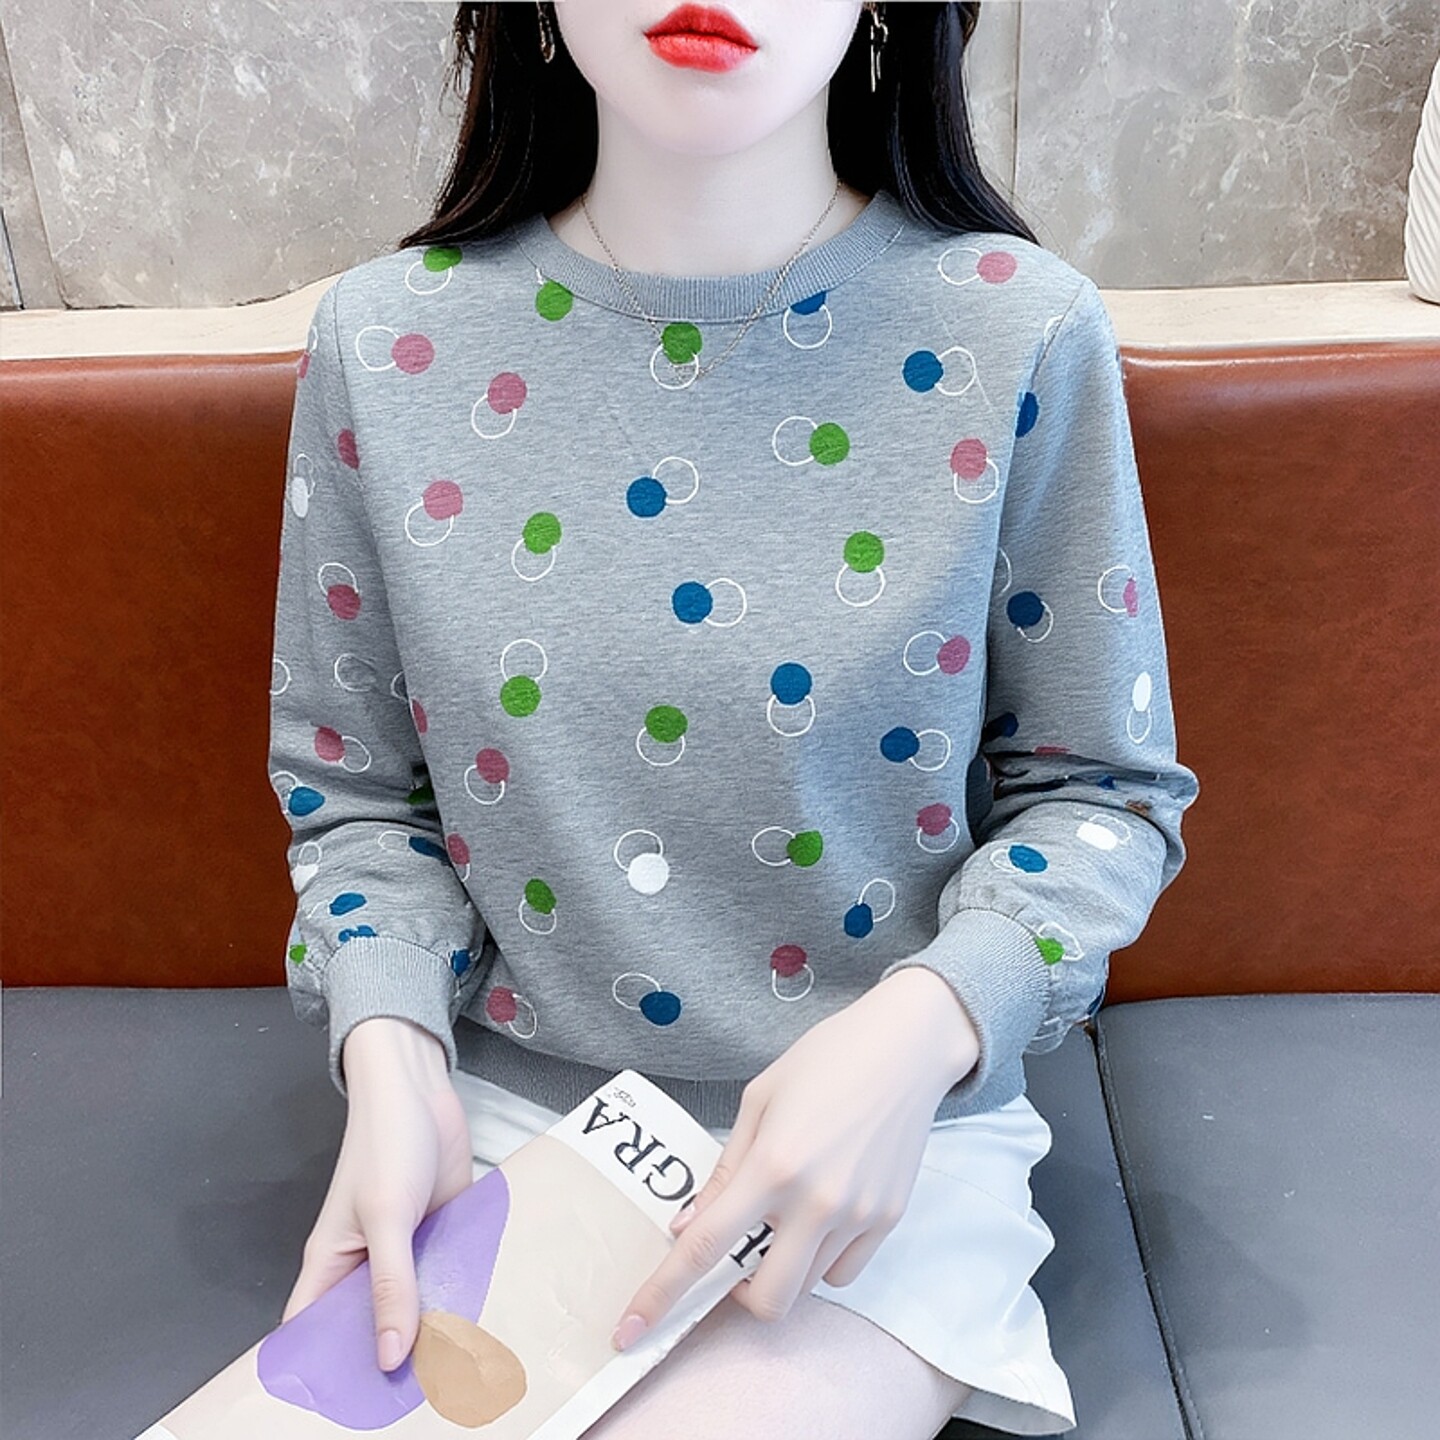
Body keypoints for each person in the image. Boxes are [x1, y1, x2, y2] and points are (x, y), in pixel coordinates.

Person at [267, 4, 1200, 1436]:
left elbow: (1103, 793)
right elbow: (356, 799)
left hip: (890, 1131)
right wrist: (390, 1057)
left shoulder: (1017, 327)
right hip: (501, 1127)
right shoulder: (384, 342)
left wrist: (928, 1028)